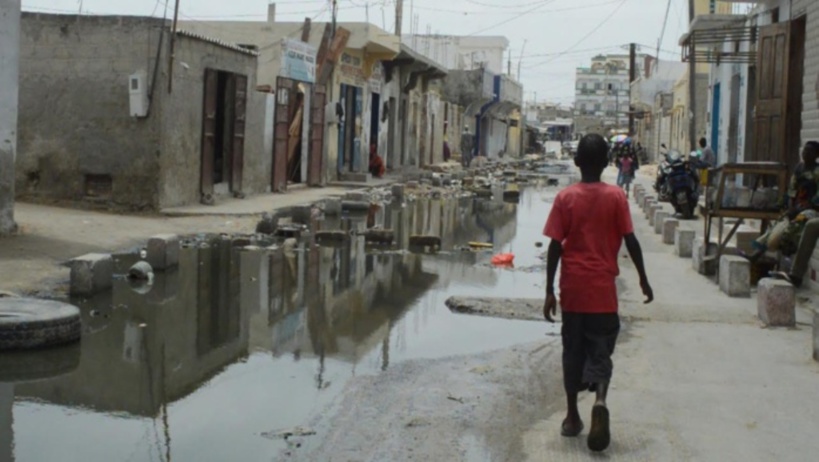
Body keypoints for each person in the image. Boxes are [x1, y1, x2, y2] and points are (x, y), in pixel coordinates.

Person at [543, 134, 654, 453]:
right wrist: (643, 279)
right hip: (603, 293)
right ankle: (600, 400)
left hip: (573, 292)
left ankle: (572, 417)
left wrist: (549, 291)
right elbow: (631, 240)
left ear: (577, 162)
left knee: (572, 350)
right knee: (601, 350)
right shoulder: (616, 197)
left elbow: (555, 247)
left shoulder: (565, 198)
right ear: (607, 162)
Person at [748, 142, 819, 282]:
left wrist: (801, 208)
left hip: (811, 210)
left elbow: (817, 199)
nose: (805, 153)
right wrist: (788, 207)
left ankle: (792, 270)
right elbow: (791, 191)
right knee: (780, 223)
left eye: (809, 151)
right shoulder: (799, 169)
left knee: (794, 227)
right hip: (795, 208)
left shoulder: (817, 172)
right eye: (804, 150)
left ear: (817, 155)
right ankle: (756, 254)